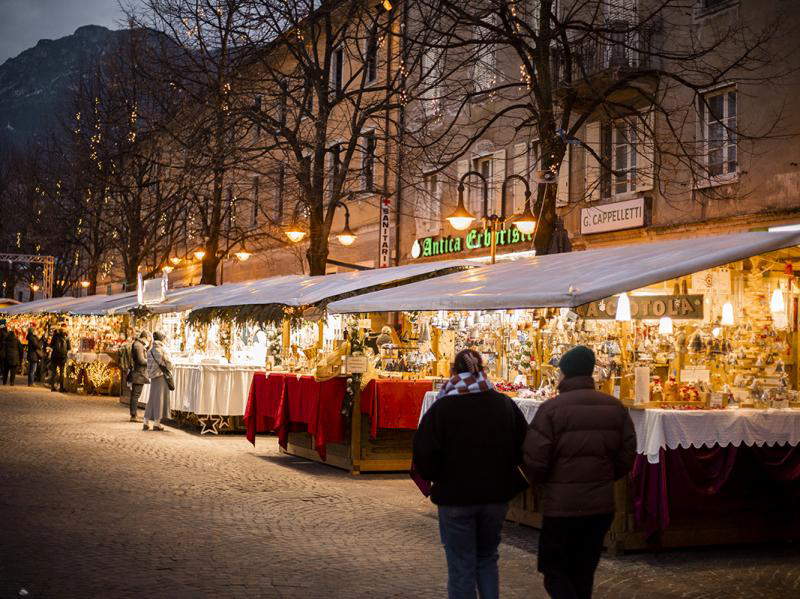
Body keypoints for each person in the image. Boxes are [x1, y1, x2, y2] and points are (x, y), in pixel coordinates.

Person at [523, 345, 636, 599]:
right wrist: (604, 477)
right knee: (584, 572)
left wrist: (547, 483)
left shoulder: (551, 410)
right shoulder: (614, 408)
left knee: (555, 570)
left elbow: (535, 459)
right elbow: (627, 455)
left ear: (564, 374)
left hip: (562, 507)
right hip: (600, 506)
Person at [414, 349, 528, 599]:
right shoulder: (504, 404)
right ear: (483, 371)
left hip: (455, 496)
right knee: (487, 559)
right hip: (495, 496)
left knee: (461, 566)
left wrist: (437, 478)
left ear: (453, 372)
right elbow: (524, 445)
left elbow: (423, 453)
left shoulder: (443, 407)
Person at [144, 331, 172, 431]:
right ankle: (157, 423)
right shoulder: (162, 350)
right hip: (161, 377)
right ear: (161, 339)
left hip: (153, 377)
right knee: (159, 399)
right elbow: (169, 363)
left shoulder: (150, 350)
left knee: (152, 399)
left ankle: (146, 421)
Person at [129, 331, 150, 423]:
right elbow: (141, 360)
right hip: (139, 373)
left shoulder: (139, 345)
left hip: (139, 373)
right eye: (149, 338)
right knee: (135, 395)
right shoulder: (138, 345)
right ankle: (133, 415)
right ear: (145, 337)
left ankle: (134, 414)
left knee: (135, 394)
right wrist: (150, 361)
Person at [49, 322, 71, 392]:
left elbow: (51, 344)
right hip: (62, 356)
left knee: (54, 372)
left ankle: (52, 387)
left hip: (55, 355)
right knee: (61, 372)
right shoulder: (67, 336)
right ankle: (61, 388)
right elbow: (69, 348)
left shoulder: (55, 335)